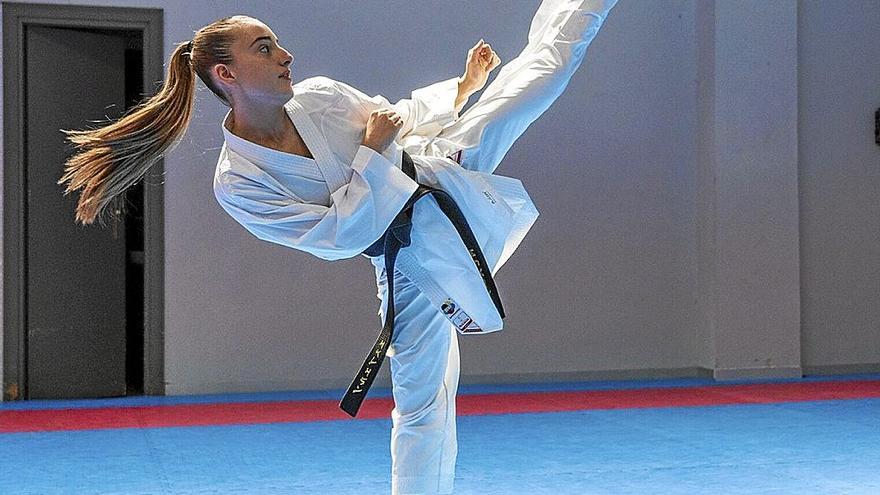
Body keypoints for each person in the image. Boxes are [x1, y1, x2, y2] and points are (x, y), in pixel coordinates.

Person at [57, 1, 619, 493]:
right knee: (422, 406)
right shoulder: (240, 182)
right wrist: (372, 153)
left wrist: (462, 91)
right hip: (408, 262)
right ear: (226, 73)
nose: (286, 56)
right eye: (266, 47)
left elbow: (392, 116)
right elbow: (339, 237)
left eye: (277, 43)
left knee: (546, 69)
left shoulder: (320, 97)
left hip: (441, 165)